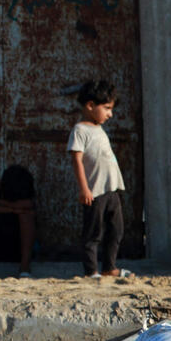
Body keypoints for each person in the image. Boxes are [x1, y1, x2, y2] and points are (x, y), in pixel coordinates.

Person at [67, 79, 129, 278]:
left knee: (116, 230)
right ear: (90, 105)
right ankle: (91, 271)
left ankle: (110, 267)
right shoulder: (80, 130)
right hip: (95, 191)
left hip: (111, 189)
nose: (110, 114)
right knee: (93, 233)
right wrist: (84, 189)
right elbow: (77, 160)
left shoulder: (98, 128)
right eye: (107, 108)